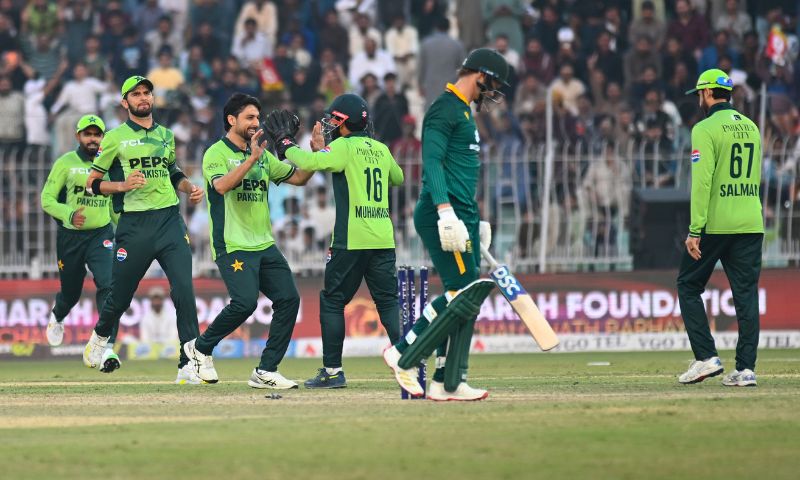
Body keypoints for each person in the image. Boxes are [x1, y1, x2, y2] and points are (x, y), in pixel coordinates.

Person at [382, 48, 510, 401]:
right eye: (493, 84)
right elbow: (432, 163)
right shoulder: (443, 107)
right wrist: (445, 211)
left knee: (468, 295)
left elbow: (461, 173)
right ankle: (403, 353)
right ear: (479, 75)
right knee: (464, 292)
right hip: (443, 211)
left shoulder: (464, 112)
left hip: (462, 212)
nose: (493, 93)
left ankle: (448, 381)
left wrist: (474, 217)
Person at [264, 93, 404, 389]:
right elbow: (399, 177)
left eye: (333, 119)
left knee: (332, 301)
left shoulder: (342, 146)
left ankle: (332, 371)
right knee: (388, 301)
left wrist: (284, 142)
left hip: (351, 238)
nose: (329, 123)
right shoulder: (380, 148)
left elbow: (305, 161)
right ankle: (410, 359)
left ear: (344, 121)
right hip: (382, 237)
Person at [182, 93, 313, 389]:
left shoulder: (264, 154)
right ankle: (200, 348)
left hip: (264, 244)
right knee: (244, 303)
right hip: (232, 244)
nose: (257, 123)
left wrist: (315, 155)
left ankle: (265, 370)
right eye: (250, 118)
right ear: (232, 120)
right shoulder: (216, 152)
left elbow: (299, 178)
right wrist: (252, 157)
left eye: (258, 117)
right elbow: (221, 186)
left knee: (289, 299)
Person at [82, 75, 205, 385]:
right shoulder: (114, 138)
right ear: (125, 102)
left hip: (168, 220)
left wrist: (188, 186)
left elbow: (173, 171)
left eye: (146, 92)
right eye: (135, 94)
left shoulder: (166, 135)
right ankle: (99, 337)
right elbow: (92, 183)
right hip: (134, 225)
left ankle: (188, 363)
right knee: (120, 297)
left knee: (184, 289)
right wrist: (123, 185)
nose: (142, 97)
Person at [677, 69, 763, 387]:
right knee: (746, 296)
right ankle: (745, 369)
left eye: (700, 94)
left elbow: (702, 182)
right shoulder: (752, 127)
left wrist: (695, 229)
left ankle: (706, 358)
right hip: (751, 222)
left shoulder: (705, 128)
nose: (700, 99)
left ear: (709, 94)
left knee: (688, 285)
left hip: (716, 223)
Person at [41, 115, 121, 371]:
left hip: (101, 235)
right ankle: (58, 315)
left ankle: (106, 347)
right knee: (72, 292)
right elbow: (46, 199)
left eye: (97, 134)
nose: (93, 139)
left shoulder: (109, 164)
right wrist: (68, 214)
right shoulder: (65, 163)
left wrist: (125, 230)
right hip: (70, 237)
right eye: (88, 134)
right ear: (78, 137)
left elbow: (113, 205)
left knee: (109, 286)